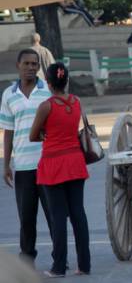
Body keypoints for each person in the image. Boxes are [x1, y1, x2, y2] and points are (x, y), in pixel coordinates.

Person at [29, 63, 90, 277]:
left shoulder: (46, 106)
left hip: (53, 164)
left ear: (48, 82)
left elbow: (33, 135)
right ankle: (84, 265)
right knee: (78, 214)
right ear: (66, 81)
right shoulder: (76, 102)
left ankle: (58, 267)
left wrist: (46, 133)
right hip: (75, 161)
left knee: (58, 216)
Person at [0, 48, 52, 264]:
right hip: (22, 167)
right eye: (27, 63)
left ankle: (60, 258)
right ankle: (27, 259)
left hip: (48, 165)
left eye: (35, 64)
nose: (31, 67)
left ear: (39, 67)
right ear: (18, 66)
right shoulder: (8, 95)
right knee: (26, 218)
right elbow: (8, 131)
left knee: (54, 216)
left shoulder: (47, 92)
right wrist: (6, 165)